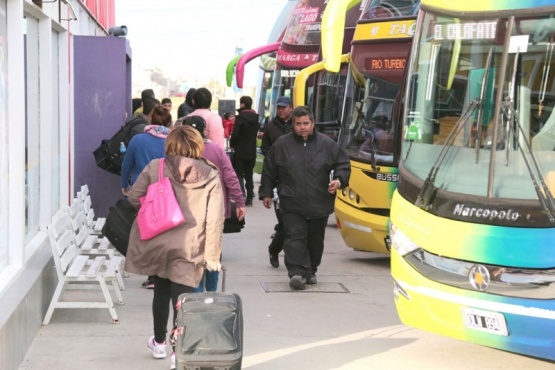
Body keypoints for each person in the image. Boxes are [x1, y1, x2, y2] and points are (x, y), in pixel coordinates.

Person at [124, 125, 224, 369]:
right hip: (191, 245)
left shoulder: (155, 167)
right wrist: (212, 255)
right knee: (183, 299)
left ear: (169, 144)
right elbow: (215, 219)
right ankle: (177, 351)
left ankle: (158, 342)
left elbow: (133, 197)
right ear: (197, 146)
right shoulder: (210, 175)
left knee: (160, 291)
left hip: (159, 240)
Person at [259, 106, 351, 290]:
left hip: (319, 201)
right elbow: (269, 170)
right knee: (295, 237)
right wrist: (267, 192)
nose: (302, 127)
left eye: (306, 123)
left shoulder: (327, 144)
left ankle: (311, 270)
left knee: (315, 240)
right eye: (298, 124)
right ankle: (297, 273)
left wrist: (339, 181)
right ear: (292, 125)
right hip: (291, 201)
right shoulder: (281, 145)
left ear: (313, 123)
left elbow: (343, 164)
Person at [182, 115, 245, 292]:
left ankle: (195, 292)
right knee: (214, 248)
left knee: (193, 251)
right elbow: (230, 176)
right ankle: (211, 291)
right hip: (214, 210)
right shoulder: (216, 150)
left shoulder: (179, 151)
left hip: (188, 210)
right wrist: (239, 201)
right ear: (205, 131)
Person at [121, 104, 171, 289]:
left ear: (151, 120)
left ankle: (152, 276)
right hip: (168, 195)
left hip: (143, 194)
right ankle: (164, 273)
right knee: (166, 233)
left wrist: (124, 186)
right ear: (169, 121)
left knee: (148, 233)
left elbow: (126, 165)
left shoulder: (137, 140)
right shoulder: (173, 140)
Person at [260, 96, 293, 268]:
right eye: (278, 107)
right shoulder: (271, 126)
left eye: (283, 107)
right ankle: (274, 249)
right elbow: (265, 148)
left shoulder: (298, 124)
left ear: (291, 108)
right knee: (284, 224)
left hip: (298, 181)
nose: (280, 110)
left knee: (295, 226)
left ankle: (295, 260)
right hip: (279, 180)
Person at [229, 96, 260, 206]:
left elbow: (236, 134)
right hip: (252, 151)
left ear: (242, 104)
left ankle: (241, 195)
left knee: (238, 173)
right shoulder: (256, 118)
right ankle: (250, 196)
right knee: (249, 175)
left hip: (241, 151)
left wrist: (232, 143)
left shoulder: (240, 118)